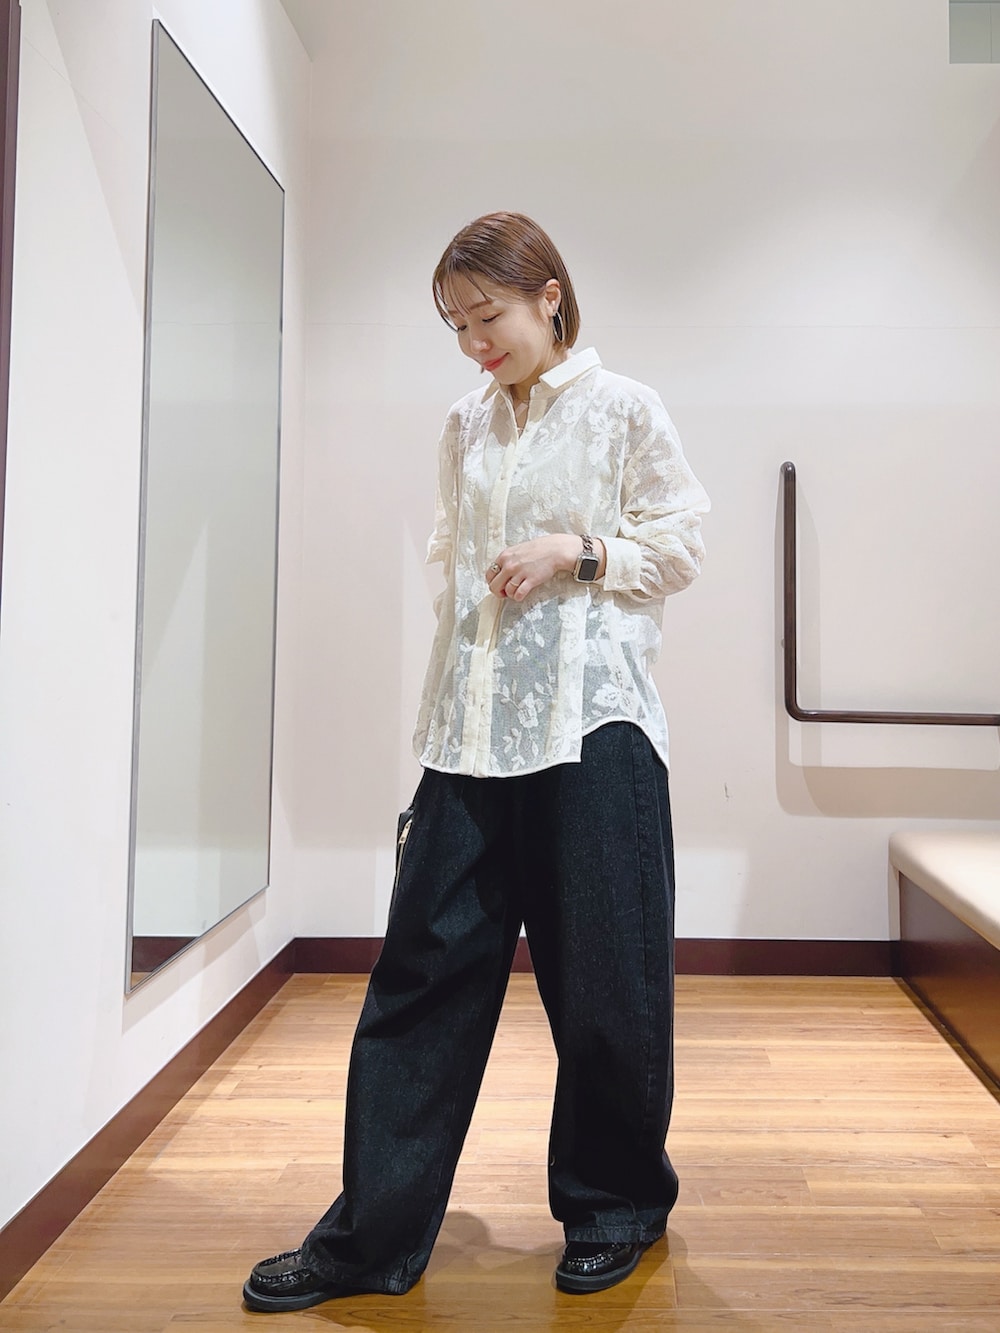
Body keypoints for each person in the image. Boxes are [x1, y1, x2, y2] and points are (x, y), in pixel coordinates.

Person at [243, 212, 710, 1313]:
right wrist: (444, 706)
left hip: (595, 730)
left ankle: (614, 1208)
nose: (473, 342)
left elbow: (682, 545)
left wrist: (576, 551)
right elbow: (453, 565)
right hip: (469, 737)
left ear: (550, 295)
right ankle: (369, 1238)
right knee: (417, 984)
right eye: (455, 324)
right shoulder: (463, 423)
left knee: (607, 989)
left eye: (486, 315)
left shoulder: (624, 408)